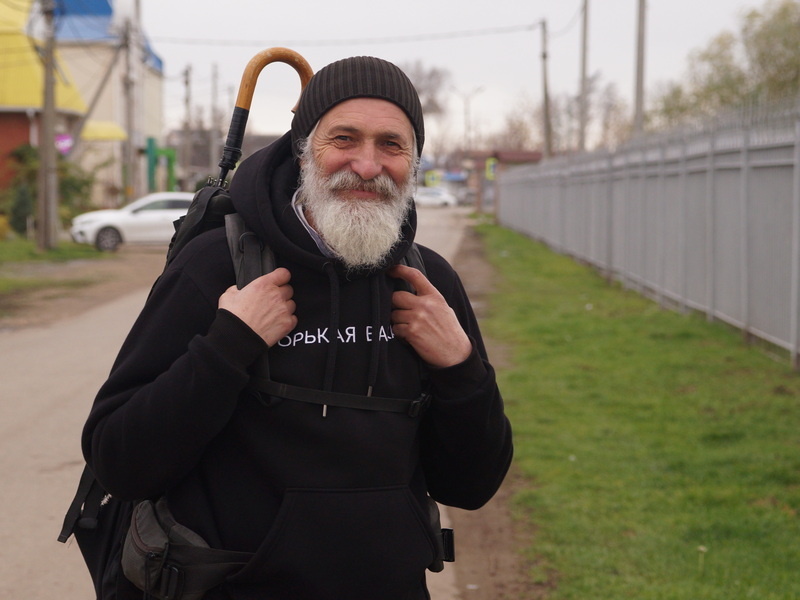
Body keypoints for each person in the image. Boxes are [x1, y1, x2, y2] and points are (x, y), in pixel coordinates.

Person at [82, 56, 513, 599]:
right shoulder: (215, 270)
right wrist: (226, 348)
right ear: (304, 149)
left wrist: (460, 369)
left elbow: (472, 486)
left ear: (415, 160)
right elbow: (119, 461)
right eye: (344, 138)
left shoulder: (427, 284)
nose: (365, 164)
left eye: (391, 144)